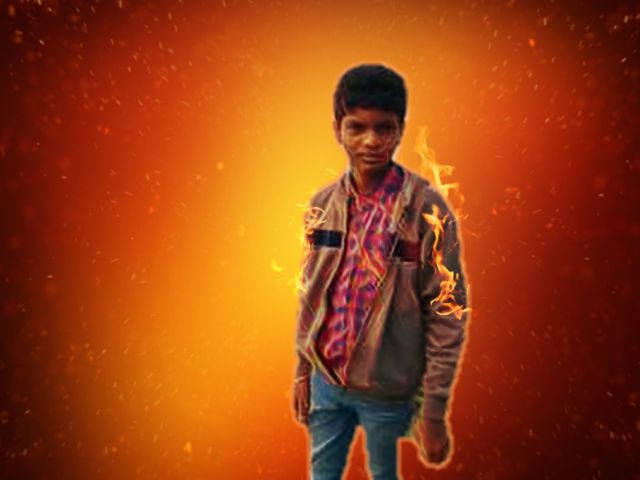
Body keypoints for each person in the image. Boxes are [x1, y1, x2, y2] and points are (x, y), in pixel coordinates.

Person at [292, 63, 470, 480]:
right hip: (326, 383)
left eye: (383, 128)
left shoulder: (427, 210)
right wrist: (303, 370)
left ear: (400, 130)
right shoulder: (323, 205)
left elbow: (447, 315)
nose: (370, 141)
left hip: (389, 393)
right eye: (356, 127)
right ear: (337, 129)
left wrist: (434, 412)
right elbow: (310, 294)